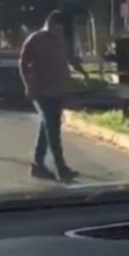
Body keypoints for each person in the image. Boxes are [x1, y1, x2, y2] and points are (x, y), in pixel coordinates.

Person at [19, 10, 89, 182]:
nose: (58, 30)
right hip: (41, 92)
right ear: (48, 23)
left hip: (59, 91)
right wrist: (27, 85)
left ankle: (38, 165)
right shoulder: (36, 39)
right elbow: (22, 62)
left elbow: (70, 58)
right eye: (55, 26)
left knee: (47, 128)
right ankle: (61, 168)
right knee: (53, 131)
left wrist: (83, 72)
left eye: (60, 27)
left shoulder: (61, 40)